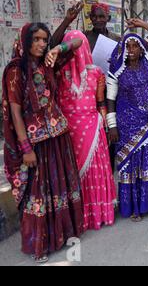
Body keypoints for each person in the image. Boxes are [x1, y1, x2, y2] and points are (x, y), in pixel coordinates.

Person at [2, 23, 84, 263]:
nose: (40, 44)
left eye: (44, 40)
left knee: (60, 188)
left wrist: (58, 48)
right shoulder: (15, 70)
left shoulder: (47, 61)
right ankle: (40, 244)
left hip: (57, 136)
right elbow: (15, 112)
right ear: (26, 40)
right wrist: (25, 148)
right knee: (38, 193)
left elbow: (78, 42)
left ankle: (63, 235)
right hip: (35, 141)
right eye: (36, 39)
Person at [106, 19, 148, 222]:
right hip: (127, 126)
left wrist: (144, 25)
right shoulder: (116, 71)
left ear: (141, 48)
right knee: (130, 164)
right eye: (127, 46)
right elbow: (110, 99)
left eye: (135, 45)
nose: (131, 49)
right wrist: (112, 126)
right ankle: (134, 207)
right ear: (121, 49)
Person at [58, 30, 116, 231]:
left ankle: (98, 214)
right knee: (72, 174)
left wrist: (107, 127)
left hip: (92, 130)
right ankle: (77, 217)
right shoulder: (58, 73)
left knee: (94, 174)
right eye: (71, 46)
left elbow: (101, 102)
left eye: (77, 45)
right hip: (68, 132)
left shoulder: (96, 72)